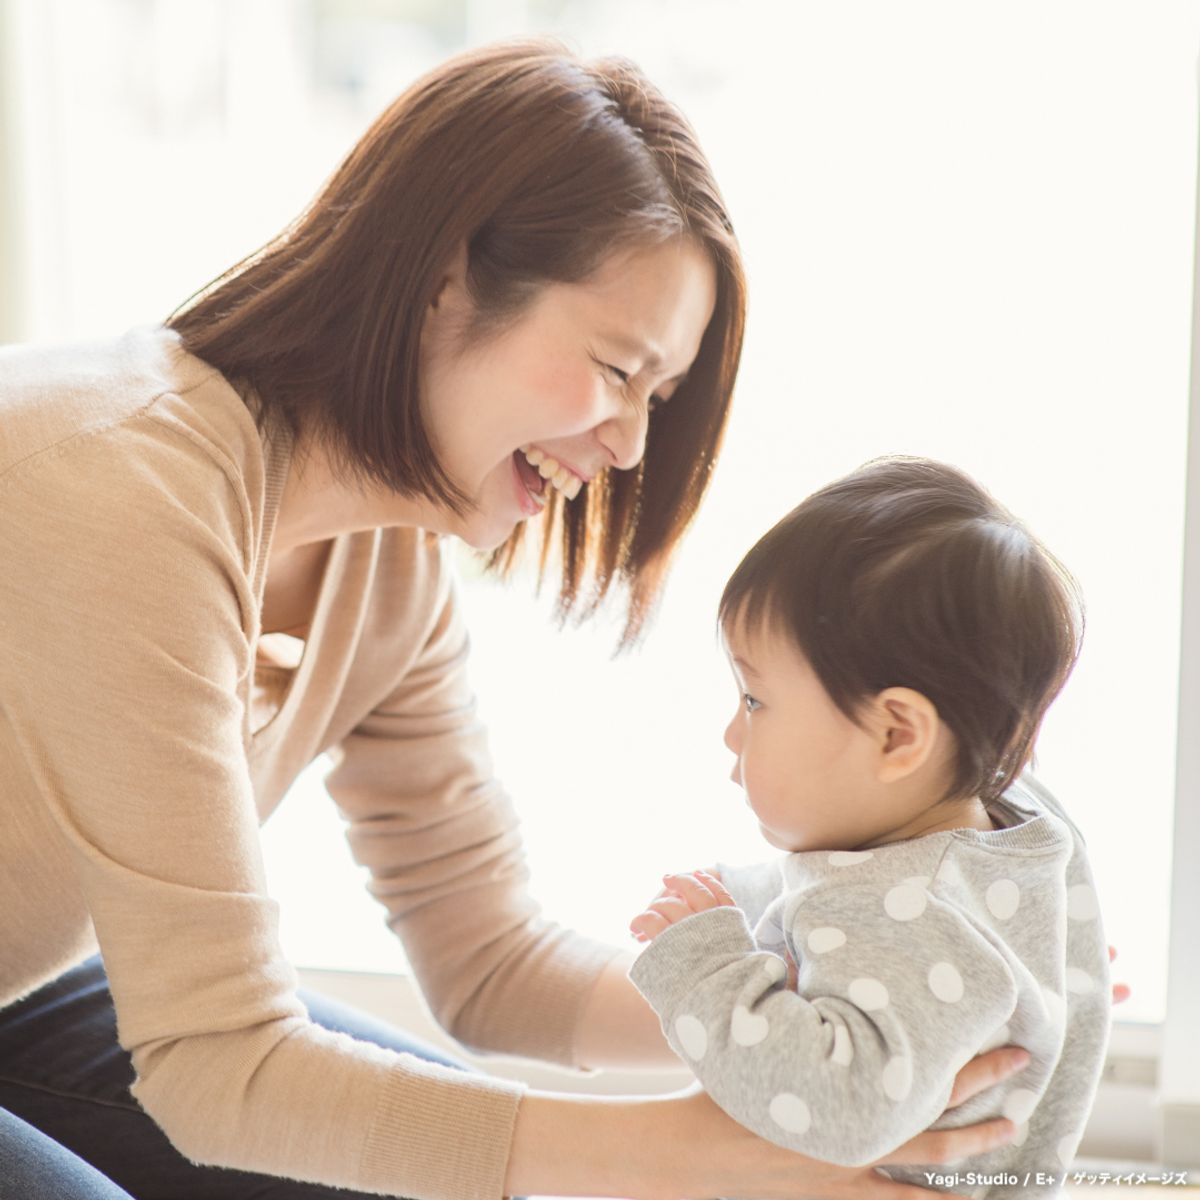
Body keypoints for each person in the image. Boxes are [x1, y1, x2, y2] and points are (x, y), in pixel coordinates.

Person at [0, 40, 1033, 1200]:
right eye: (614, 368)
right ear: (445, 277)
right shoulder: (116, 493)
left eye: (658, 398)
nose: (632, 446)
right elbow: (222, 1069)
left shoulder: (388, 567)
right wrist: (712, 1156)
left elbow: (490, 964)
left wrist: (848, 989)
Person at [629, 458, 1111, 1196]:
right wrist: (744, 898)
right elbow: (850, 892)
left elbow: (831, 1109)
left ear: (897, 737)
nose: (732, 733)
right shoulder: (1021, 825)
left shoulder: (914, 913)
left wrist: (706, 971)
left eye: (755, 701)